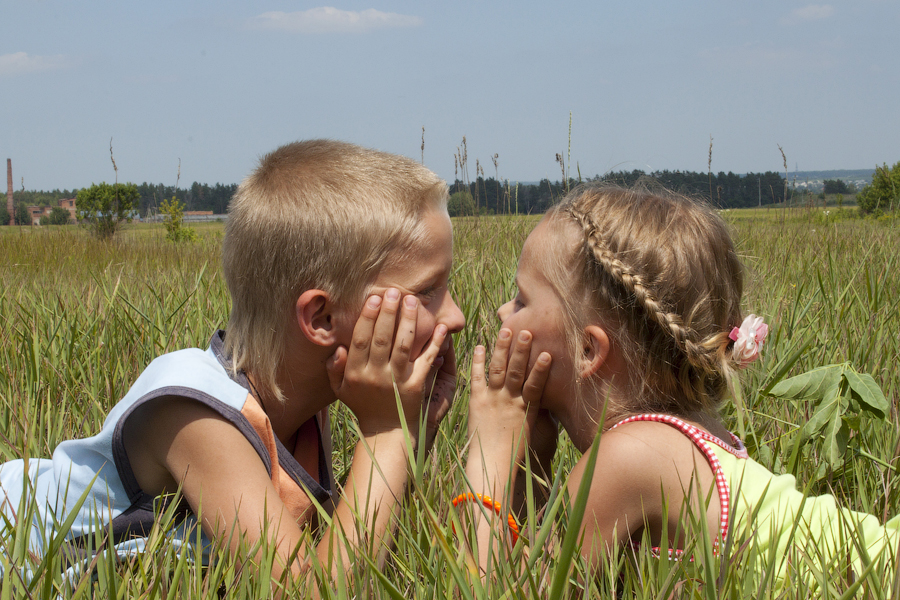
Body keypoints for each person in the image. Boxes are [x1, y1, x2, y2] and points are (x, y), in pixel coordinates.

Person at [0, 140, 465, 585]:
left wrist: (411, 429)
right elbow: (315, 590)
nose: (456, 316)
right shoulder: (194, 413)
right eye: (427, 292)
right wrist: (386, 433)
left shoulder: (306, 399)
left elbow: (338, 542)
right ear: (322, 318)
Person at [462, 184, 898, 584]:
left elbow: (499, 589)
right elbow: (536, 564)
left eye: (521, 298)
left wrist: (492, 452)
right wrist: (532, 460)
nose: (503, 311)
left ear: (588, 351)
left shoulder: (630, 456)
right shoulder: (680, 436)